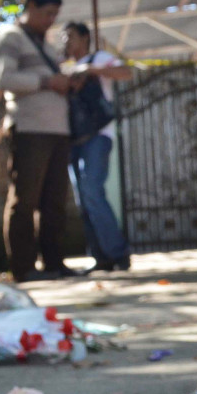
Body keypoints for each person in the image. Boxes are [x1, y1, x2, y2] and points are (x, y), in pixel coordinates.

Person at [0, 0, 82, 282]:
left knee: (55, 200)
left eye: (55, 15)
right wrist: (47, 82)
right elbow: (3, 77)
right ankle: (24, 267)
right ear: (29, 6)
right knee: (25, 199)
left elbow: (55, 78)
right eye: (47, 13)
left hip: (58, 129)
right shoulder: (10, 37)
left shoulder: (46, 45)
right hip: (30, 128)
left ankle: (54, 263)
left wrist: (68, 80)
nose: (50, 20)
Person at [62, 21, 133, 272]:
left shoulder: (99, 58)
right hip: (74, 139)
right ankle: (101, 257)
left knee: (92, 189)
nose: (66, 42)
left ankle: (118, 252)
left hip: (99, 135)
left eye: (70, 36)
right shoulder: (64, 67)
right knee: (83, 199)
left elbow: (126, 72)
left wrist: (91, 70)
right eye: (64, 37)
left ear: (85, 38)